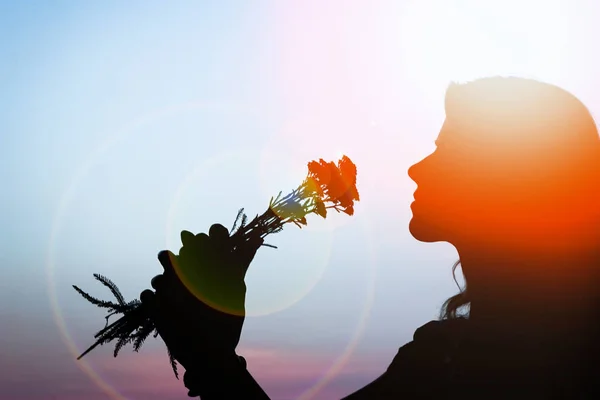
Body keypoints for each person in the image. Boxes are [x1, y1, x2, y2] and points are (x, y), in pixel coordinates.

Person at [140, 77, 600, 399]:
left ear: (505, 178)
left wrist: (212, 355)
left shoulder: (460, 363)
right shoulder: (542, 349)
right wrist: (213, 355)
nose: (416, 168)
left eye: (447, 148)